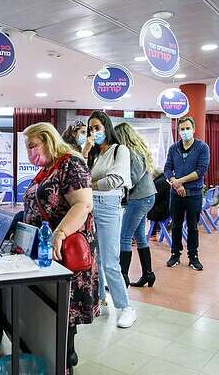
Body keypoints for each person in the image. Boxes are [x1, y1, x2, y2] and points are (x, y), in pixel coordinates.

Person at [22, 122, 98, 374]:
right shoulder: (46, 169)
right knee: (52, 306)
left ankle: (64, 359)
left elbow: (83, 205)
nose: (30, 153)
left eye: (33, 146)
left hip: (65, 250)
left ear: (48, 139)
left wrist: (60, 233)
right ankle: (60, 355)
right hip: (46, 249)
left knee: (64, 307)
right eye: (27, 148)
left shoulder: (70, 164)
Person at [83, 110, 137, 328]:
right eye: (90, 129)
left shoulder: (119, 150)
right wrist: (85, 152)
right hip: (90, 206)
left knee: (109, 261)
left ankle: (125, 307)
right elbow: (81, 177)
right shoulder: (94, 154)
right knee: (93, 258)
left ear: (106, 127)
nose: (93, 132)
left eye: (97, 127)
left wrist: (91, 186)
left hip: (108, 206)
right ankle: (98, 300)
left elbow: (115, 180)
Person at [114, 123, 157, 288]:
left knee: (124, 236)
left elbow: (133, 176)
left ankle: (122, 279)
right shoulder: (138, 149)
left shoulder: (130, 151)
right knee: (139, 237)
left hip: (139, 197)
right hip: (146, 196)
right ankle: (148, 274)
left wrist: (118, 182)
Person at [164, 116, 210, 271]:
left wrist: (180, 181)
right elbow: (167, 169)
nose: (184, 132)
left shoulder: (202, 147)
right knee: (175, 225)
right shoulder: (173, 148)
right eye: (182, 129)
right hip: (175, 193)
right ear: (178, 131)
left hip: (194, 194)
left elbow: (201, 170)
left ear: (193, 129)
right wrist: (175, 183)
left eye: (187, 128)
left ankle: (193, 257)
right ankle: (175, 254)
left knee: (193, 227)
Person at [146, 169, 171, 240]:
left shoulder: (158, 182)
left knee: (141, 211)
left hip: (161, 212)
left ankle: (148, 235)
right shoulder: (165, 179)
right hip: (167, 209)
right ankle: (153, 234)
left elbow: (154, 198)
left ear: (155, 175)